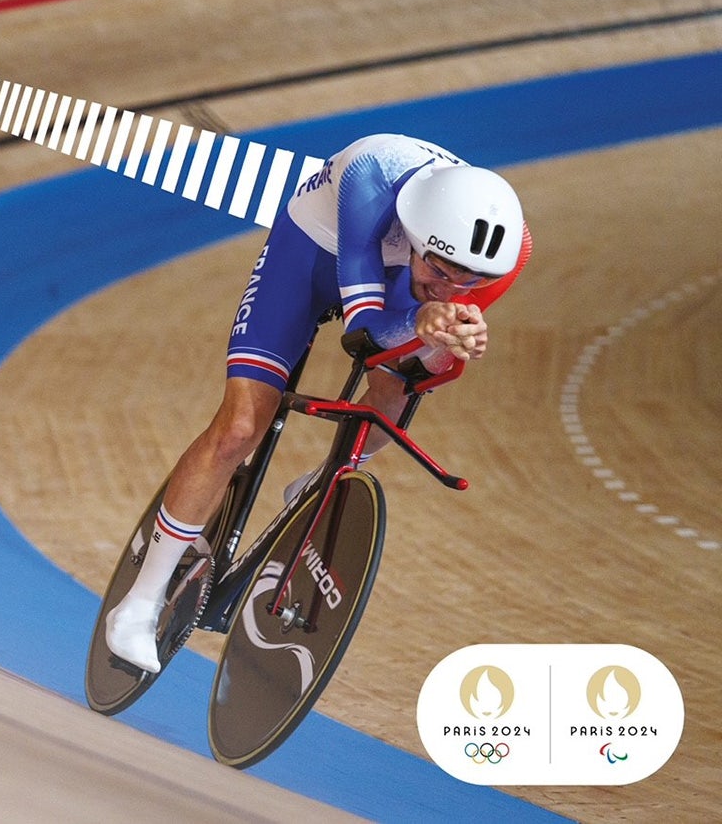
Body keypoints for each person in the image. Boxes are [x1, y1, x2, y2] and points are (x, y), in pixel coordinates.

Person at [105, 132, 533, 673]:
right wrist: (421, 321)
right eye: (443, 273)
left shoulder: (507, 253)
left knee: (408, 376)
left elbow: (428, 338)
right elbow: (363, 333)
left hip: (399, 275)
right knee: (239, 428)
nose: (454, 288)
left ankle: (322, 478)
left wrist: (446, 340)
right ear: (420, 234)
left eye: (471, 281)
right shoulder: (371, 178)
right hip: (311, 253)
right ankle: (138, 603)